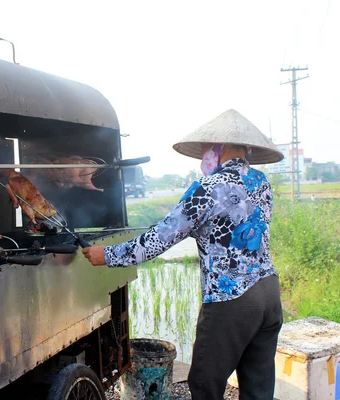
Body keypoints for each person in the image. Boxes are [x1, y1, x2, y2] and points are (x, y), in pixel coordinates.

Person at [83, 109, 285, 400]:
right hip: (268, 293)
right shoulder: (261, 182)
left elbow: (159, 239)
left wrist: (108, 255)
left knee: (205, 383)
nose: (204, 153)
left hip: (232, 301)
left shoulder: (207, 189)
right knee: (258, 385)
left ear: (220, 147)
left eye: (206, 147)